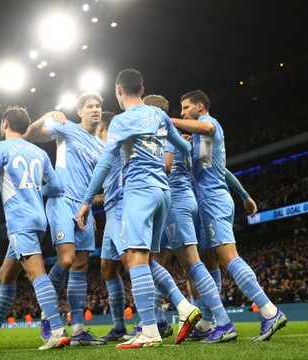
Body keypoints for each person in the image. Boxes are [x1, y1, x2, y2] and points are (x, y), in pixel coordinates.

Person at [77, 69, 200, 349]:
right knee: (146, 259)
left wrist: (86, 201)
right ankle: (179, 311)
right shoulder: (159, 115)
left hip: (139, 193)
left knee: (136, 258)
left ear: (119, 91)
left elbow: (105, 163)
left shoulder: (120, 121)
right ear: (143, 90)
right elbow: (182, 145)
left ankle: (149, 330)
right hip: (163, 193)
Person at [171, 90, 287, 342]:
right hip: (206, 202)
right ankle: (211, 323)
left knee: (227, 256)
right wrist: (245, 196)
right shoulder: (198, 142)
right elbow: (222, 170)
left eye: (186, 107)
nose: (182, 112)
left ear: (200, 107)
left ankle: (269, 311)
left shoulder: (210, 124)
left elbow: (206, 129)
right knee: (209, 261)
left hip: (213, 200)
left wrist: (168, 121)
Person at [143, 94, 238, 343]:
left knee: (194, 264)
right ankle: (158, 321)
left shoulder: (168, 133)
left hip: (178, 202)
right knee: (159, 261)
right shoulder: (173, 135)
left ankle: (221, 321)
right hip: (172, 203)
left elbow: (164, 167)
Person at [0, 106, 70, 350]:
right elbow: (57, 187)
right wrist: (36, 191)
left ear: (5, 123)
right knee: (6, 275)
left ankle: (58, 330)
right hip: (39, 220)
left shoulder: (0, 148)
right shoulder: (39, 152)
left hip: (20, 220)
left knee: (35, 273)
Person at [23, 93, 106, 346]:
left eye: (98, 106)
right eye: (90, 106)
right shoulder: (66, 128)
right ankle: (49, 316)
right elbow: (29, 135)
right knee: (67, 259)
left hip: (83, 208)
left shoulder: (101, 147)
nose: (95, 109)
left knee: (80, 264)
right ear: (80, 111)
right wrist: (47, 114)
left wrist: (89, 206)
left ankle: (79, 329)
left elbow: (99, 187)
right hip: (61, 201)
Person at [95, 111, 130, 341]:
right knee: (108, 269)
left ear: (101, 128)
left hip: (122, 208)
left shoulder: (115, 144)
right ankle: (119, 326)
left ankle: (157, 320)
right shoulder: (104, 149)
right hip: (110, 210)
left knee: (132, 263)